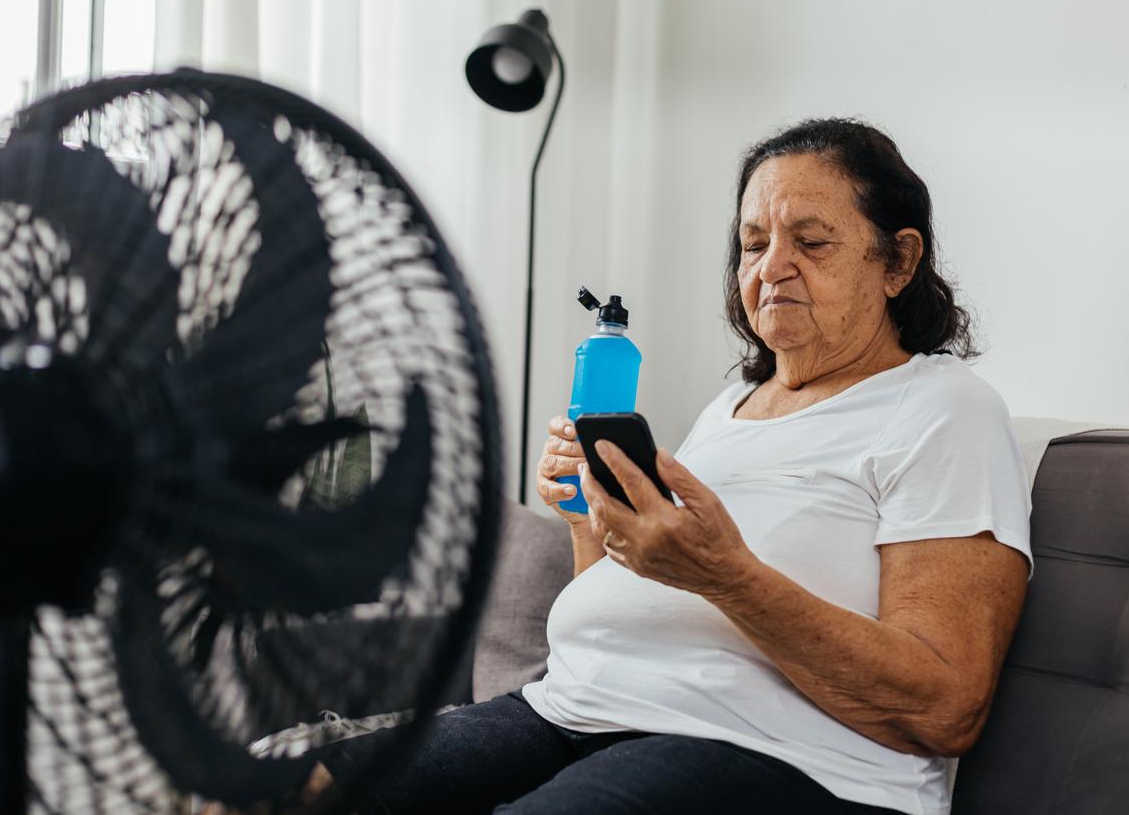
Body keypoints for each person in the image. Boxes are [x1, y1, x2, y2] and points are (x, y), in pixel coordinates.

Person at [250, 117, 1033, 815]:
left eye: (812, 241)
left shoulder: (943, 408)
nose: (773, 267)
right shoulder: (729, 410)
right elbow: (620, 594)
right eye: (754, 244)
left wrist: (726, 575)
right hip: (571, 711)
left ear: (897, 262)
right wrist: (596, 520)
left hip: (780, 756)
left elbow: (946, 707)